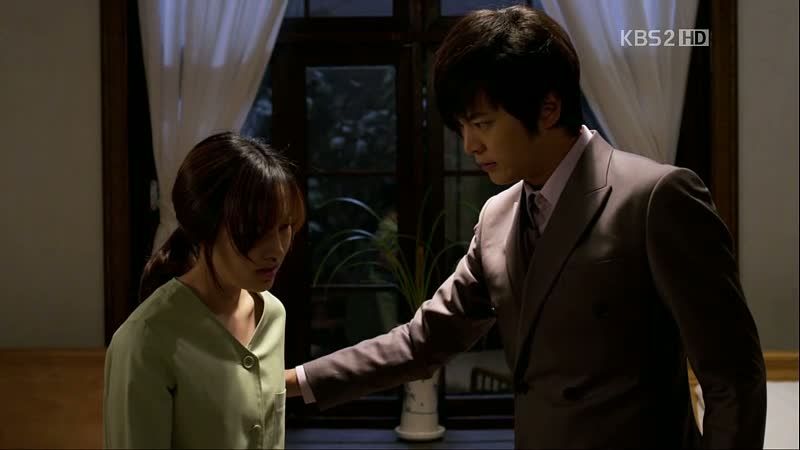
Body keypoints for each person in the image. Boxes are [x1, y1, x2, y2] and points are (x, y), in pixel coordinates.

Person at [285, 5, 767, 449]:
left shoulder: (655, 197)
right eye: (461, 126)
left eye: (483, 123)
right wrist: (293, 381)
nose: (470, 145)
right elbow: (424, 339)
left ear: (548, 108)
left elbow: (733, 378)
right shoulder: (498, 217)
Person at [104, 132, 305, 449]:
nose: (277, 250)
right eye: (256, 231)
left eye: (285, 227)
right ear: (203, 228)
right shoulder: (146, 339)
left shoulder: (272, 314)